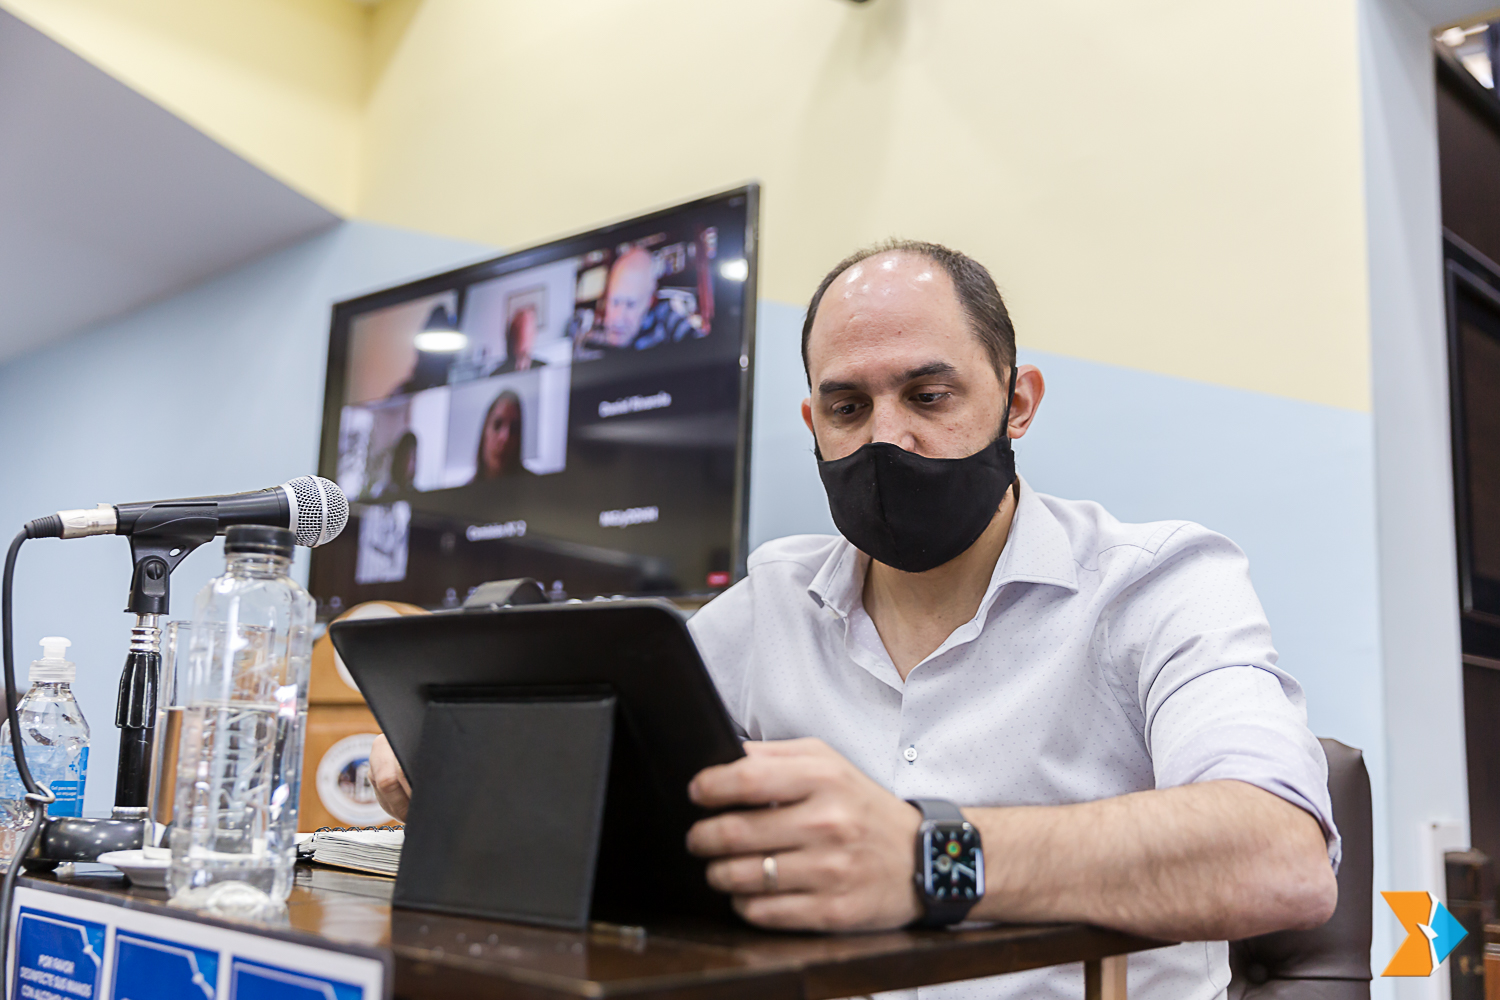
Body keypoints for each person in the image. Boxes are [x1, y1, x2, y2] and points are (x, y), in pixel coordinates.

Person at [372, 240, 1337, 1000]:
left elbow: (1282, 856)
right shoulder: (770, 602)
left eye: (929, 395)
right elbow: (613, 771)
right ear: (814, 424)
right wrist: (474, 763)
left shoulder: (1155, 582)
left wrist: (927, 856)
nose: (887, 438)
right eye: (847, 406)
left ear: (1018, 402)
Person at [578, 246, 699, 352]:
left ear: (649, 301)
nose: (618, 320)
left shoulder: (669, 322)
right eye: (615, 302)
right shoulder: (590, 336)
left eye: (630, 305)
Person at [471, 390, 526, 481]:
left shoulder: (538, 485)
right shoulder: (467, 489)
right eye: (497, 425)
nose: (505, 438)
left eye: (513, 429)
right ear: (485, 431)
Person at [493, 306, 546, 374]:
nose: (525, 336)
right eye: (520, 330)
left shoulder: (544, 369)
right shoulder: (498, 374)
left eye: (528, 331)